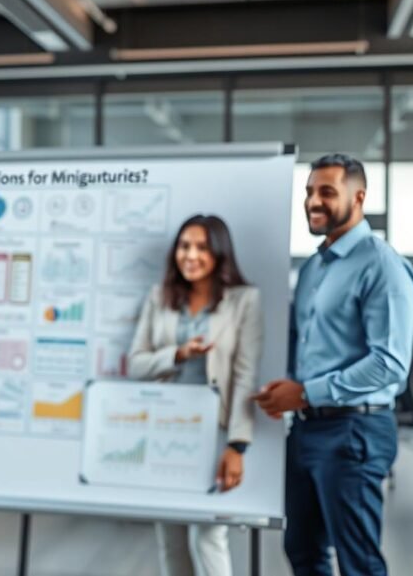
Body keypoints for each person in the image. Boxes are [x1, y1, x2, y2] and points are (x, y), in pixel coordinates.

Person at [255, 154, 413, 576]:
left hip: (354, 433)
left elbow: (390, 365)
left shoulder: (381, 265)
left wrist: (307, 391)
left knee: (358, 564)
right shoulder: (313, 268)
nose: (314, 201)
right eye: (309, 191)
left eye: (327, 191)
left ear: (358, 197)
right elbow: (309, 346)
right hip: (307, 430)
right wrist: (286, 389)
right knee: (302, 551)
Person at [129, 214, 262, 576]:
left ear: (219, 253)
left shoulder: (244, 301)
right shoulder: (160, 297)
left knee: (207, 536)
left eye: (202, 247)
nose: (191, 255)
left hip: (212, 435)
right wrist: (177, 354)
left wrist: (237, 445)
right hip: (162, 431)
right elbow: (135, 364)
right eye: (184, 246)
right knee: (170, 538)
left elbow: (244, 375)